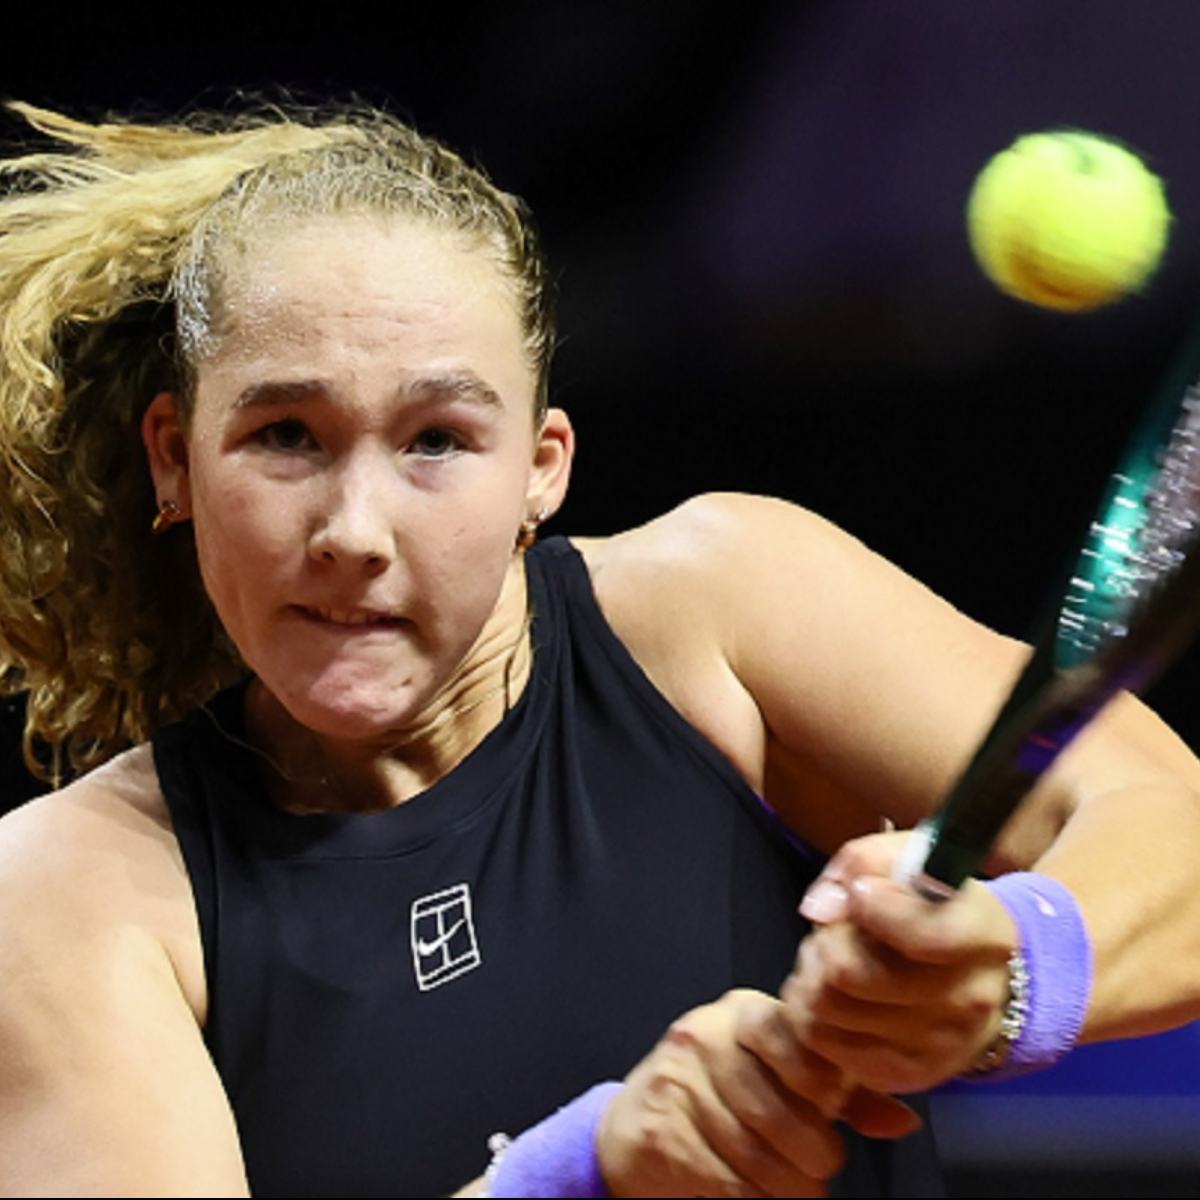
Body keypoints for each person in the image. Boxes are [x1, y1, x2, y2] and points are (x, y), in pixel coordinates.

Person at [1, 98, 1199, 1200]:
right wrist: (580, 1175)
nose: (354, 531)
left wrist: (1012, 965)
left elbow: (1171, 827)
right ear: (175, 459)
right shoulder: (71, 895)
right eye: (284, 435)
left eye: (436, 441)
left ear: (542, 470)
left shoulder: (720, 609)